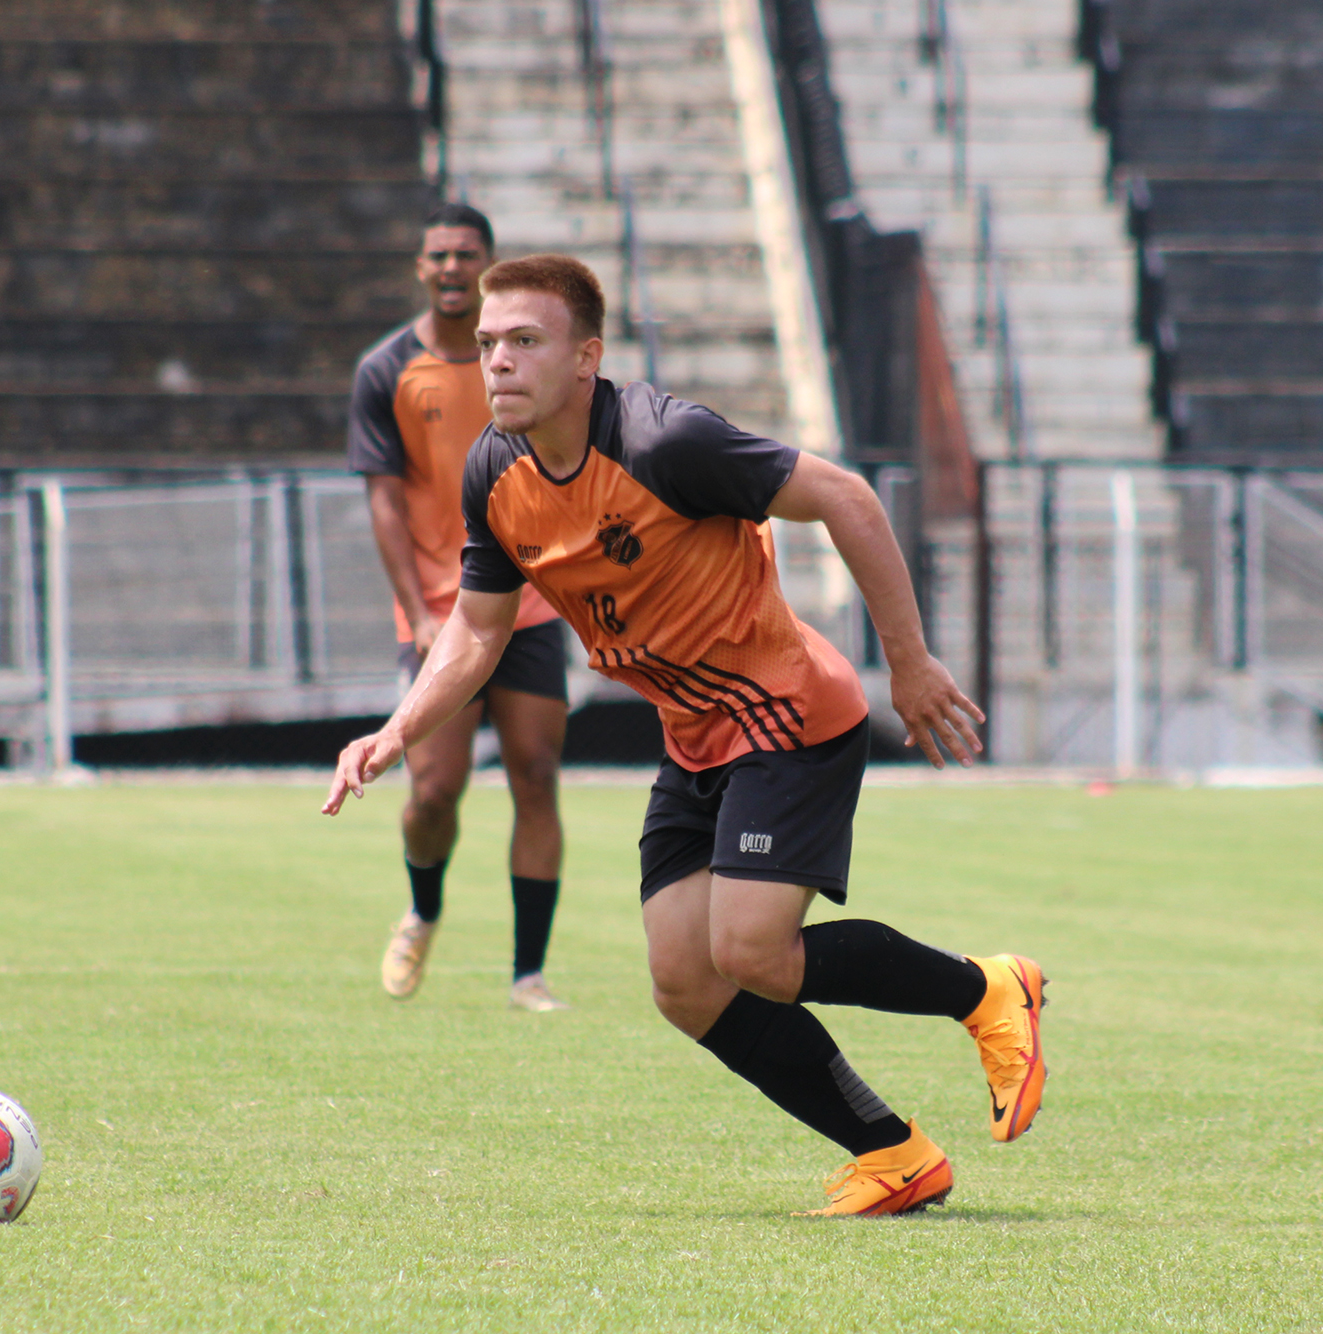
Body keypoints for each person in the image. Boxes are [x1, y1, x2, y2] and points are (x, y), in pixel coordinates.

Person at [323, 254, 1047, 1216]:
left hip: (785, 716)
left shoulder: (668, 442)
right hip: (693, 734)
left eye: (525, 342)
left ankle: (986, 990)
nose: (497, 362)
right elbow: (480, 627)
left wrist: (909, 664)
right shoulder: (494, 471)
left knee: (751, 953)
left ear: (587, 358)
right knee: (684, 982)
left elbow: (847, 499)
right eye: (490, 343)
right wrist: (397, 728)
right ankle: (897, 1155)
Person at [346, 204, 574, 1013]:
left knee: (536, 776)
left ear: (488, 263)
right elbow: (383, 501)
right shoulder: (387, 371)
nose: (450, 268)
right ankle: (425, 908)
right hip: (445, 611)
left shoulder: (523, 363)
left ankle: (528, 974)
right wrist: (418, 610)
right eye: (437, 254)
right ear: (419, 265)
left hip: (537, 606)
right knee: (433, 792)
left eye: (465, 255)